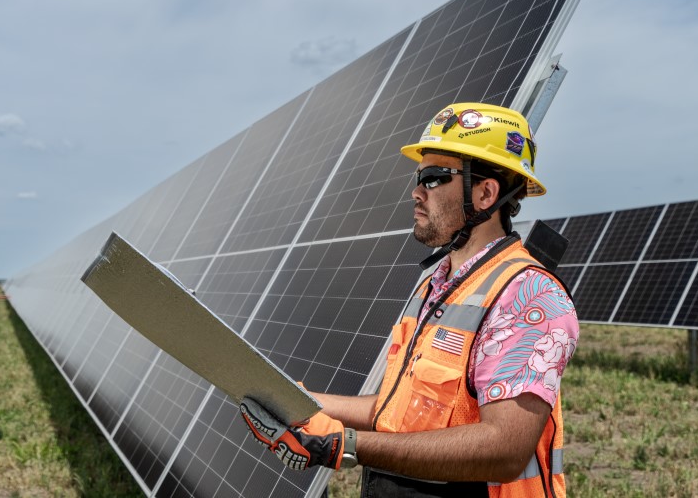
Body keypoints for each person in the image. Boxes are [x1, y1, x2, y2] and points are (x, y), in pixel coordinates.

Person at [241, 102, 578, 497]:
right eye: (419, 177)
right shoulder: (435, 285)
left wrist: (345, 446)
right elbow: (397, 410)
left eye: (434, 178)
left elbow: (504, 450)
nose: (416, 192)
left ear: (486, 193)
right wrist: (305, 403)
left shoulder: (528, 296)